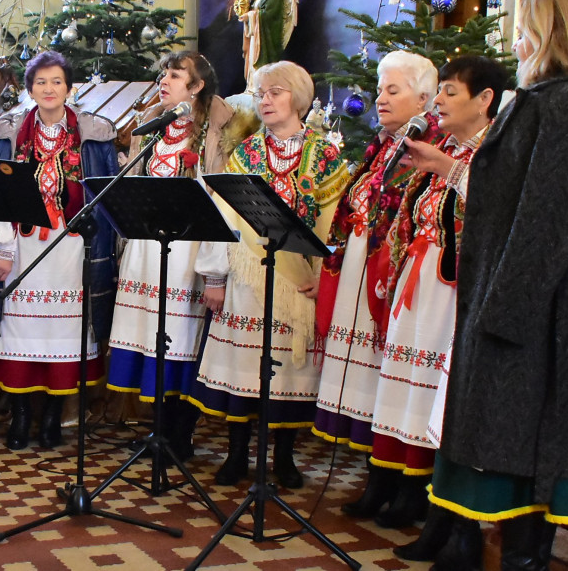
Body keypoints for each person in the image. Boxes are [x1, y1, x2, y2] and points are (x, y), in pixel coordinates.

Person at [427, 0, 568, 571]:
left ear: (553, 36)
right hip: (522, 298)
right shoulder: (542, 102)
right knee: (509, 450)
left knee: (533, 450)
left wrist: (503, 312)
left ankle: (526, 560)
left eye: (524, 30)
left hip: (544, 311)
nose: (514, 41)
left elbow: (551, 220)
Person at [367, 56, 507, 566]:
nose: (440, 102)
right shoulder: (450, 148)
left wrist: (448, 170)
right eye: (439, 91)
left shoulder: (496, 150)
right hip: (424, 283)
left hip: (459, 295)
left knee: (449, 408)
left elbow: (498, 214)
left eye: (449, 92)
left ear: (484, 99)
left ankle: (452, 525)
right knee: (420, 404)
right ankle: (431, 514)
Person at [188, 61, 347, 488]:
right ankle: (237, 453)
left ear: (297, 97)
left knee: (288, 371)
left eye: (275, 91)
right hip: (246, 277)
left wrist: (325, 271)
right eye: (260, 93)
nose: (265, 100)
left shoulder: (325, 155)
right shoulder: (245, 154)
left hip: (298, 279)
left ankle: (284, 457)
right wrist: (215, 277)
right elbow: (225, 218)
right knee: (243, 365)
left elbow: (336, 221)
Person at [312, 50, 445, 519]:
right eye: (380, 90)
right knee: (371, 377)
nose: (381, 99)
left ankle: (406, 490)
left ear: (425, 98)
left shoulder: (431, 146)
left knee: (392, 377)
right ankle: (378, 480)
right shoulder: (385, 142)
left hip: (392, 275)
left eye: (394, 90)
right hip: (359, 263)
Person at [0, 51, 120, 450]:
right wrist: (2, 248)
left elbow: (107, 200)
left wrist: (100, 252)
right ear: (30, 89)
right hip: (21, 245)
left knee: (65, 329)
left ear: (69, 88)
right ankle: (21, 416)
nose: (49, 89)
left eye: (56, 81)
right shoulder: (8, 131)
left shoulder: (94, 133)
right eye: (40, 82)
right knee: (19, 328)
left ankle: (54, 417)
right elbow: (0, 196)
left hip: (73, 247)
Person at [106, 52, 234, 459]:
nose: (165, 80)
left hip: (187, 254)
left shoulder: (216, 134)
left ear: (196, 87)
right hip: (146, 251)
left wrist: (214, 272)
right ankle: (157, 429)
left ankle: (180, 434)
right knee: (149, 336)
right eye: (164, 73)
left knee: (180, 339)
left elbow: (220, 202)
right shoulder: (151, 130)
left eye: (176, 75)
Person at [239, 0, 286, 85]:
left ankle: (261, 88)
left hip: (266, 41)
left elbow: (270, 15)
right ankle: (252, 87)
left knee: (263, 69)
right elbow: (256, 13)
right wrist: (247, 16)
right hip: (255, 39)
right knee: (252, 67)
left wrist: (250, 16)